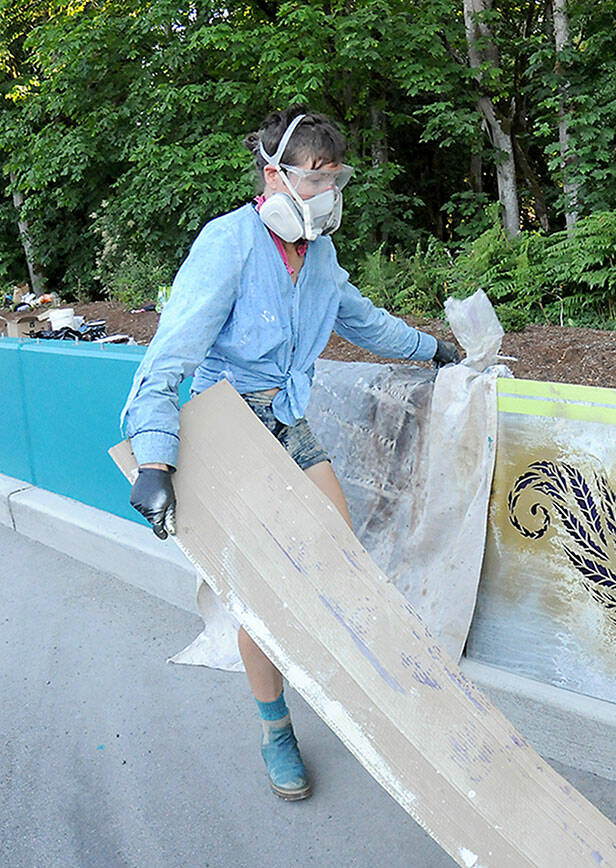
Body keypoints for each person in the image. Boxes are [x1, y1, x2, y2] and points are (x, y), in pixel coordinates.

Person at [121, 106, 462, 801]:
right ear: (274, 174)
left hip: (286, 420)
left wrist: (435, 351)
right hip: (228, 428)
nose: (326, 194)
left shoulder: (321, 255)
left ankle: (359, 698)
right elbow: (167, 358)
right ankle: (277, 729)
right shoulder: (228, 244)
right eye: (314, 178)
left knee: (337, 567)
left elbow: (364, 320)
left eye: (335, 179)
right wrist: (156, 460)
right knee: (265, 605)